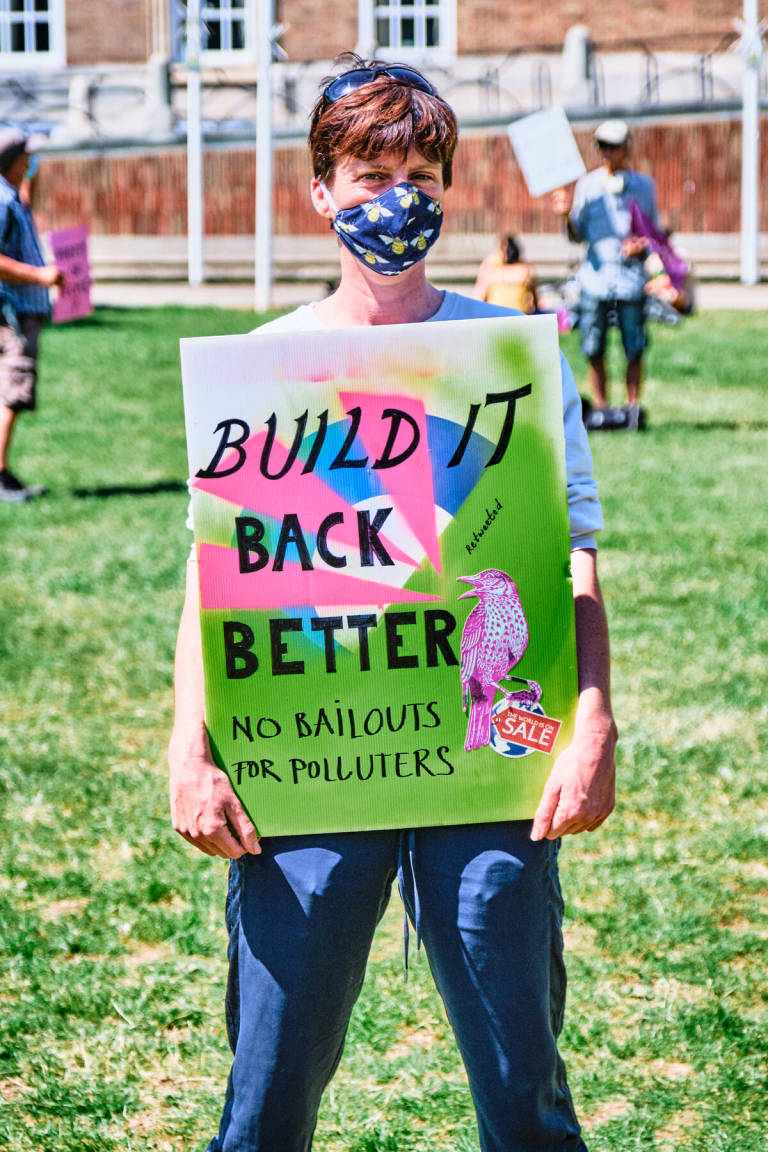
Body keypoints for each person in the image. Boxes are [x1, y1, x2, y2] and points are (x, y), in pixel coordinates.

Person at [169, 57, 617, 1152]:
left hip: (494, 752)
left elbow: (573, 558)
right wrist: (189, 750)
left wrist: (594, 719)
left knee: (524, 1081)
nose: (395, 197)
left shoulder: (510, 359)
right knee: (268, 1089)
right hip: (308, 758)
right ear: (320, 189)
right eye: (369, 172)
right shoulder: (265, 369)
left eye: (420, 171)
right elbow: (214, 582)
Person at [552, 119, 659, 410]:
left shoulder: (645, 187)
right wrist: (564, 215)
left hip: (630, 279)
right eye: (602, 146)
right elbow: (576, 236)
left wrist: (641, 244)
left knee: (634, 346)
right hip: (594, 279)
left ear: (626, 148)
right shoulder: (587, 186)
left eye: (612, 146)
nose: (606, 152)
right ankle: (601, 407)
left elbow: (654, 235)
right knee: (593, 346)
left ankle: (631, 406)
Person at [0, 129, 63, 502]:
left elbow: (23, 198)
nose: (31, 161)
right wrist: (39, 275)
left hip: (18, 311)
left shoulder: (12, 197)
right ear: (13, 161)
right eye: (27, 157)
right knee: (13, 392)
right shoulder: (3, 202)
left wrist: (30, 182)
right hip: (14, 313)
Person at [474, 232, 539, 314]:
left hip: (496, 316)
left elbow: (479, 297)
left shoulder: (491, 269)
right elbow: (535, 300)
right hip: (519, 316)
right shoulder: (525, 269)